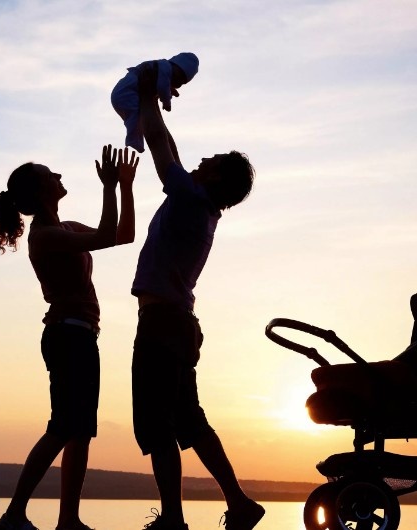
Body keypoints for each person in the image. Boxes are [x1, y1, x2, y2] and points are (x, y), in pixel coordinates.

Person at [130, 70, 265, 530]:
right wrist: (153, 97)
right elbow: (167, 143)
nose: (202, 158)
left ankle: (173, 519)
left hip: (162, 324)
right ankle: (239, 504)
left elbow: (159, 144)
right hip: (177, 324)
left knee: (158, 426)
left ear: (216, 176)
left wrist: (147, 93)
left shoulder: (190, 200)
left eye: (212, 159)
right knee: (188, 420)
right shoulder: (199, 203)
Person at [0, 145, 138, 530]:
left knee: (80, 432)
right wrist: (109, 187)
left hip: (81, 336)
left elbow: (123, 235)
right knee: (62, 428)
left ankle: (68, 519)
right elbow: (107, 234)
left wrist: (125, 186)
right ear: (40, 192)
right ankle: (15, 514)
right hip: (67, 336)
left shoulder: (65, 227)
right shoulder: (46, 236)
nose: (59, 176)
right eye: (50, 174)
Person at [111, 52, 199, 153]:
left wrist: (168, 91)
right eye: (178, 77)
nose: (178, 84)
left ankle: (136, 140)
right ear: (174, 66)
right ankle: (133, 140)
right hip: (125, 93)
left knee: (138, 118)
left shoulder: (162, 68)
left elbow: (162, 84)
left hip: (126, 92)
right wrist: (166, 102)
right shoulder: (164, 68)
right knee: (134, 118)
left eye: (182, 83)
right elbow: (162, 87)